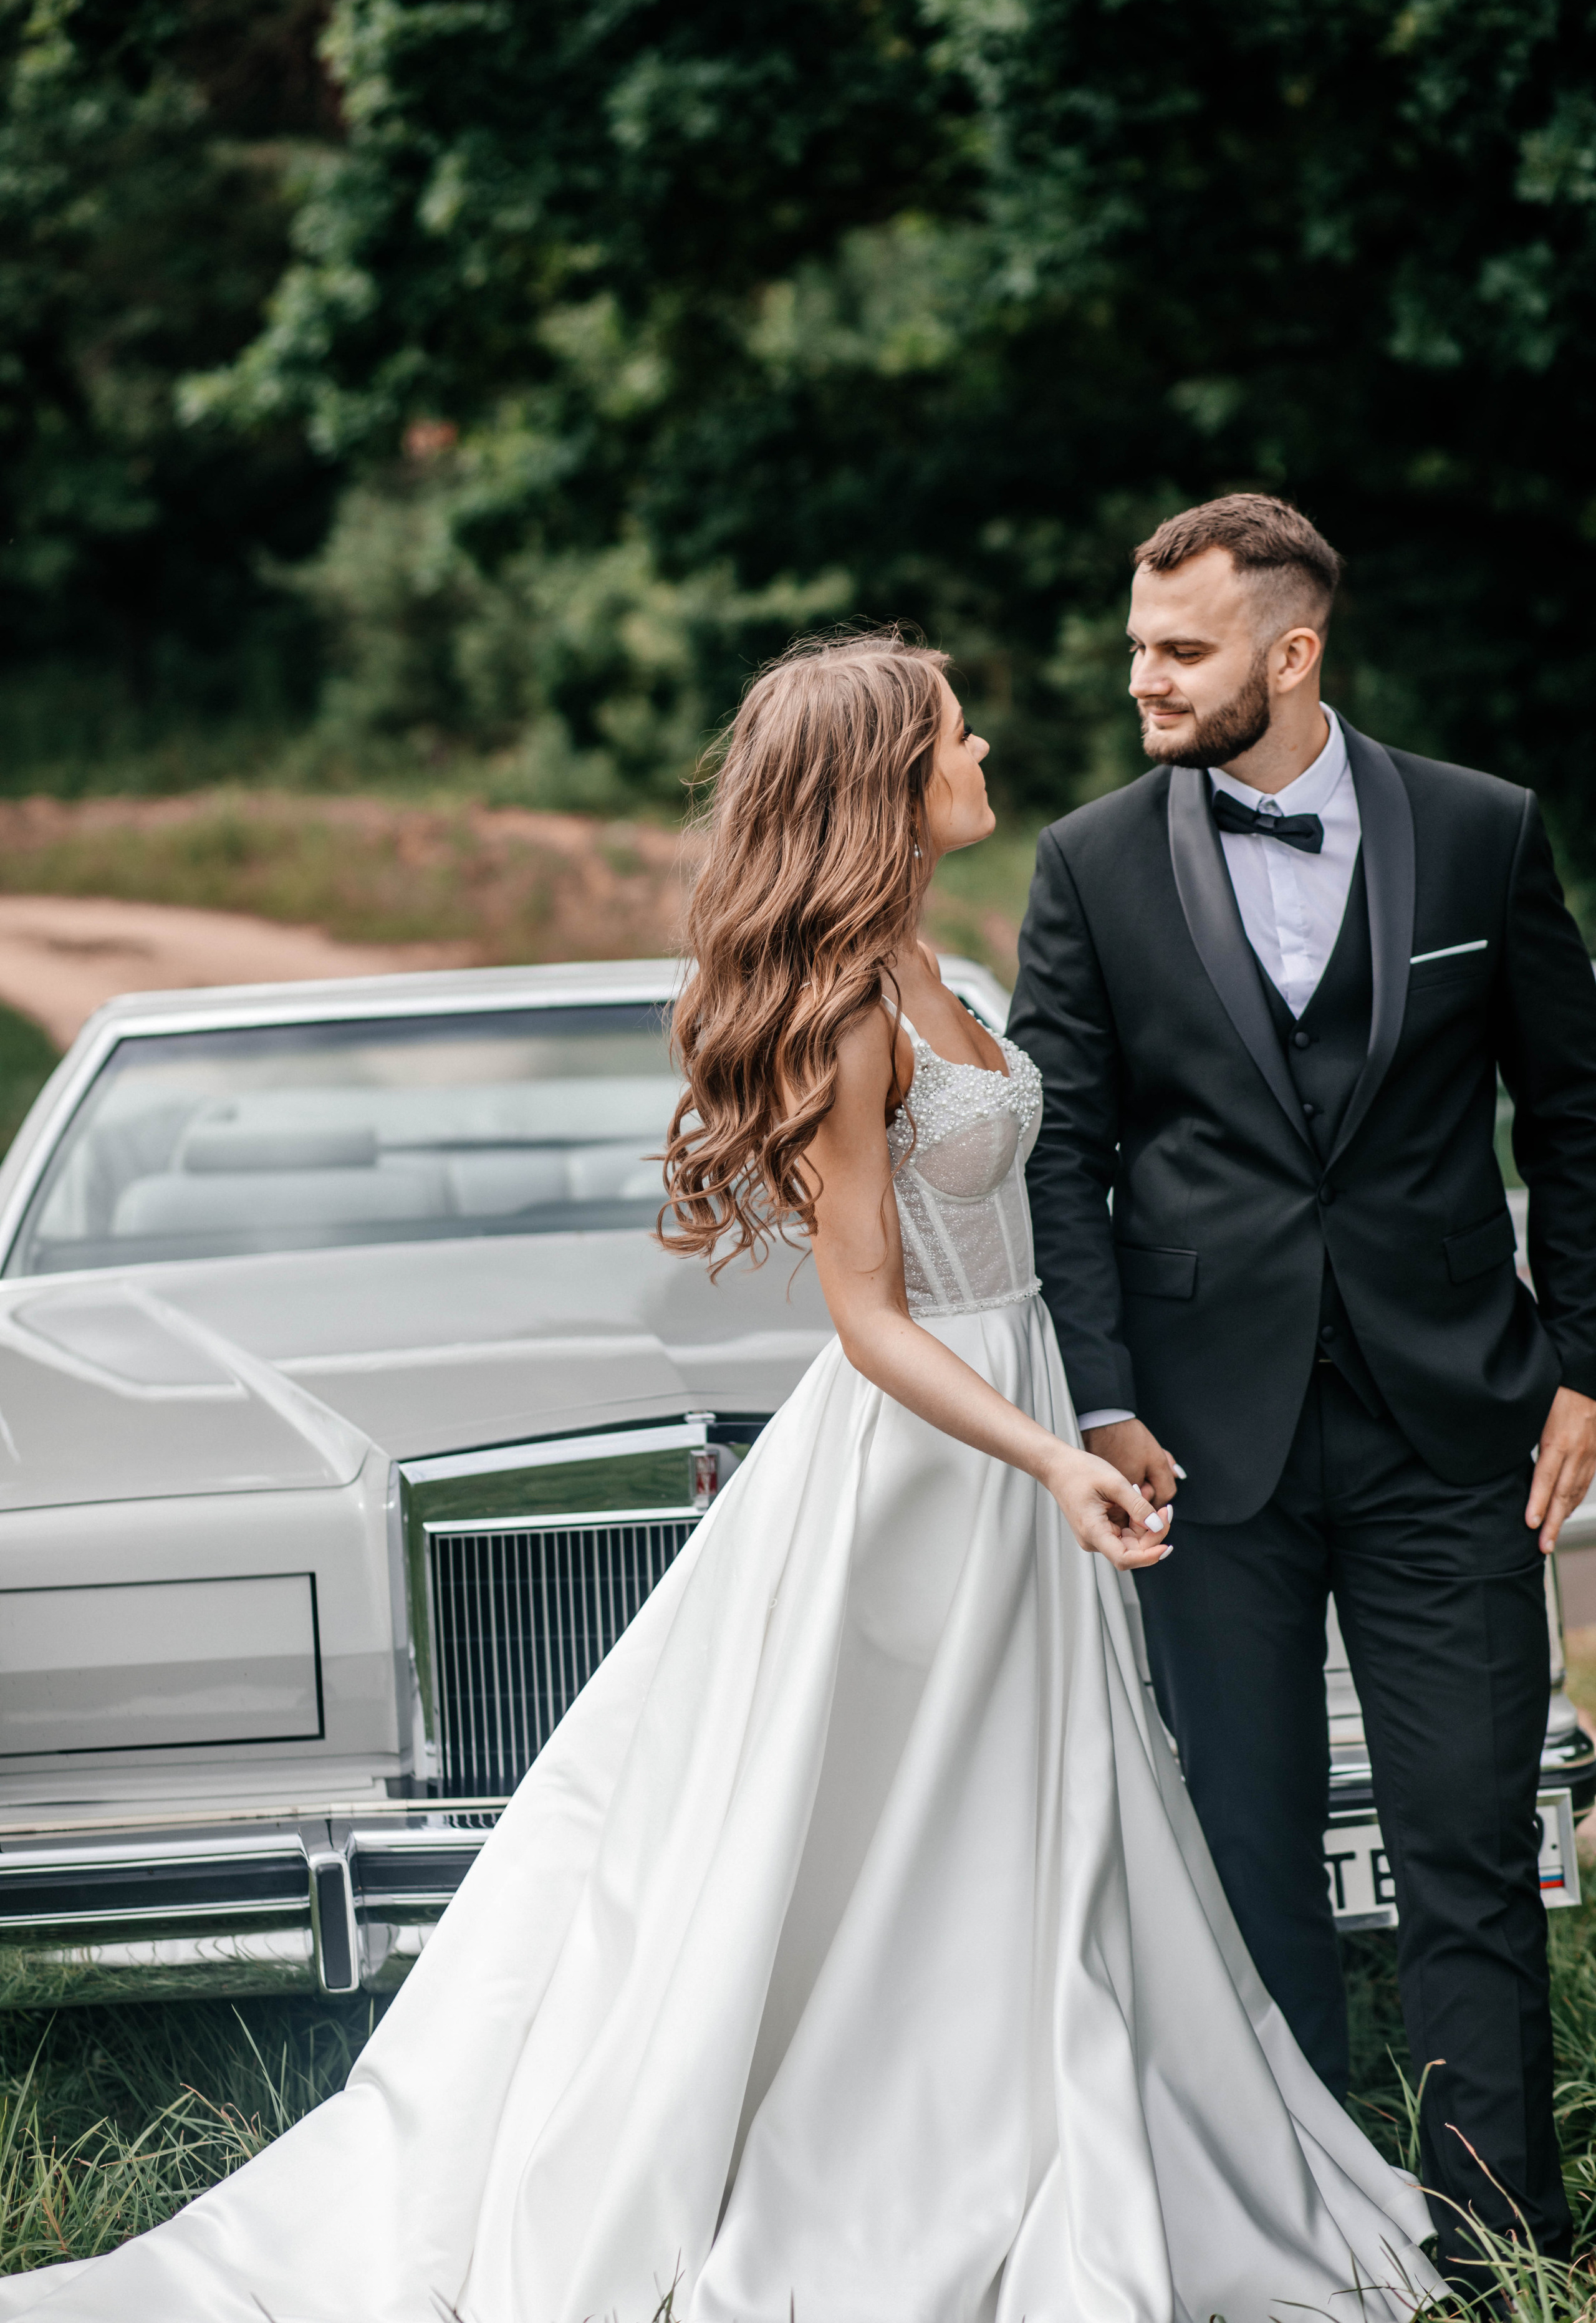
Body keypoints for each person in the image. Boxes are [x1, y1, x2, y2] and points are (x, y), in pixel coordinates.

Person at [0, 631, 1440, 2322]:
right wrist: (1044, 1449)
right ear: (887, 788)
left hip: (1027, 1418)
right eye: (954, 736)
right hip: (930, 1458)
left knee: (1040, 1805)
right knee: (887, 1823)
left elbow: (1012, 1244)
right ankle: (885, 2154)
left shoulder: (942, 973)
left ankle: (1057, 2107)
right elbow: (868, 1315)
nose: (985, 749)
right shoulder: (841, 1019)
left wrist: (1093, 1419)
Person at [1008, 493, 1596, 2275]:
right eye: (1135, 647)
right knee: (1252, 1867)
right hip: (1200, 1442)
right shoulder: (1090, 862)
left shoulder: (1484, 833)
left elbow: (1572, 1114)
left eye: (1178, 651)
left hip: (1455, 1426)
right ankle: (1310, 2254)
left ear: (1292, 650)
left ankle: (1502, 2247)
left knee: (1470, 1852)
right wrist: (1102, 1403)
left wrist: (1582, 1363)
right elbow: (1062, 1156)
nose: (1142, 682)